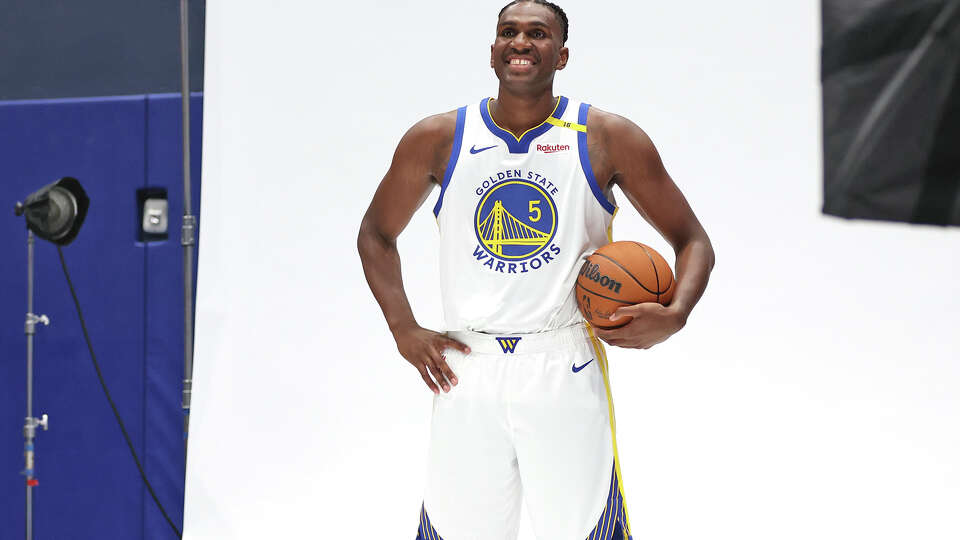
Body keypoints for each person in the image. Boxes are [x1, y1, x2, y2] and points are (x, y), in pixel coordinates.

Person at [357, 1, 715, 538]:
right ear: (493, 51)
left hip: (563, 362)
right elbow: (375, 234)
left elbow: (693, 240)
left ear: (562, 55)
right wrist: (403, 328)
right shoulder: (438, 138)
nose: (521, 42)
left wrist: (678, 313)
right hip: (465, 366)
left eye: (538, 33)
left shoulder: (605, 136)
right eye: (509, 32)